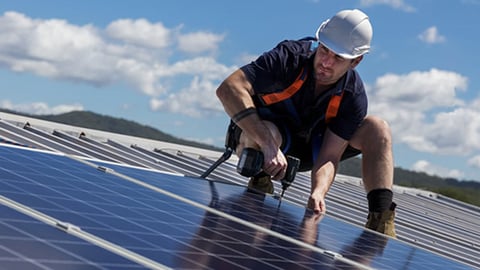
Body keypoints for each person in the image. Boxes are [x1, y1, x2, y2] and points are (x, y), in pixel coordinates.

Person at [216, 9, 396, 237]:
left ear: (356, 61)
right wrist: (269, 145)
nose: (326, 63)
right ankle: (260, 181)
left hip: (310, 150)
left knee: (378, 129)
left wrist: (319, 192)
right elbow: (228, 88)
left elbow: (329, 156)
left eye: (338, 58)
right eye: (324, 50)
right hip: (262, 139)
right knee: (269, 132)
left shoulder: (353, 96)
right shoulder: (288, 58)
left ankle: (380, 223)